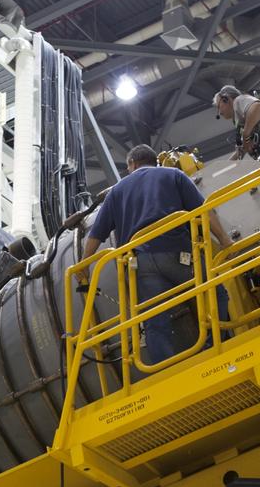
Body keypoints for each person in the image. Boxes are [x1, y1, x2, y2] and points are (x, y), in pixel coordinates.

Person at [81, 144, 233, 365]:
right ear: (155, 161)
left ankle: (165, 368)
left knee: (154, 320)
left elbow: (96, 234)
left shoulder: (117, 191)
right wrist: (225, 240)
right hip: (178, 254)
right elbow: (204, 210)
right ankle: (217, 343)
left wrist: (84, 266)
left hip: (141, 264)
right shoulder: (173, 175)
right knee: (215, 293)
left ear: (132, 164)